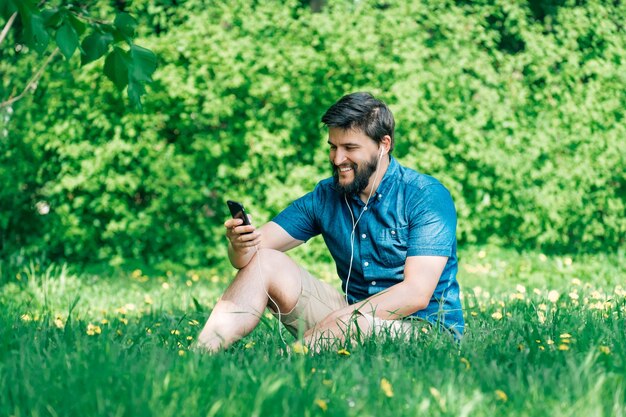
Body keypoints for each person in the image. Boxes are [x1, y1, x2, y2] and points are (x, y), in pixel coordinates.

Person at [197, 92, 464, 352]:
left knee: (355, 323)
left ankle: (282, 363)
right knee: (265, 261)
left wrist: (343, 320)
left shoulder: (425, 195)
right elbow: (251, 257)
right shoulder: (325, 195)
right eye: (333, 147)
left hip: (423, 330)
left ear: (383, 145)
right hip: (350, 320)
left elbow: (416, 293)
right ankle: (200, 355)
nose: (337, 159)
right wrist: (240, 244)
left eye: (350, 148)